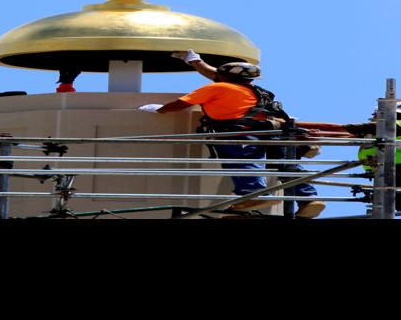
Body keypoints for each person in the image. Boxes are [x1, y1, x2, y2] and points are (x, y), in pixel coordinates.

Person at [139, 50, 325, 218]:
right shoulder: (256, 91)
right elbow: (216, 75)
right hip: (271, 131)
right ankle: (308, 198)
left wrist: (160, 110)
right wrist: (195, 61)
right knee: (284, 165)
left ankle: (253, 194)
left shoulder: (216, 88)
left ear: (223, 77)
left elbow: (181, 104)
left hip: (239, 133)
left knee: (243, 163)